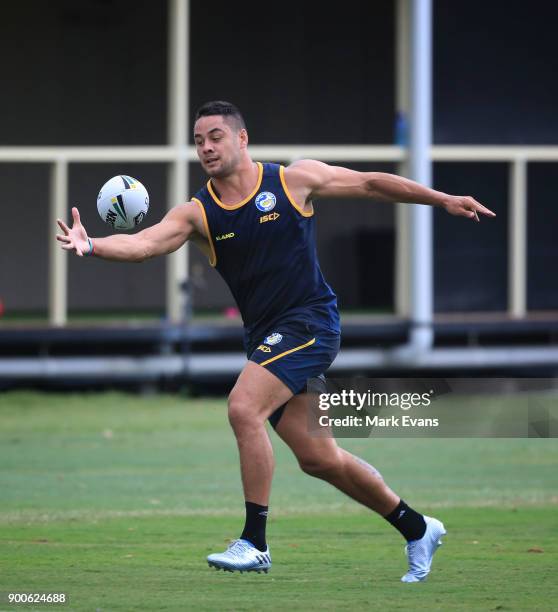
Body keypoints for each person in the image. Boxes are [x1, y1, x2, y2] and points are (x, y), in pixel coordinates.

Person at [56, 100, 495, 582]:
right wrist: (93, 244)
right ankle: (417, 528)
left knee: (243, 408)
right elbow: (145, 245)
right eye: (199, 140)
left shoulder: (293, 180)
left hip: (311, 324)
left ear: (242, 139)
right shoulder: (197, 212)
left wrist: (442, 199)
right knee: (320, 459)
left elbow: (371, 183)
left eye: (215, 136)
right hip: (267, 338)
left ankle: (254, 542)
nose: (205, 147)